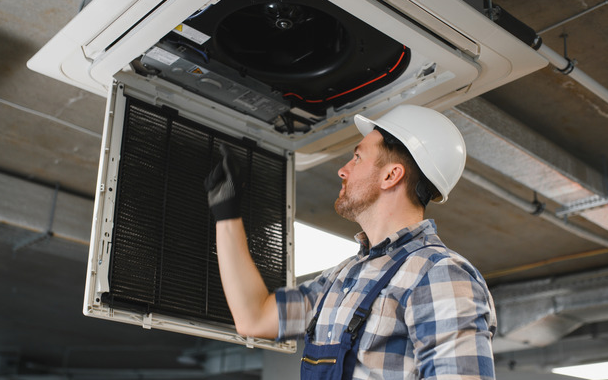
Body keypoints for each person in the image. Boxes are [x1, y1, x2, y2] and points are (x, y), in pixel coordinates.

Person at [205, 105, 497, 379]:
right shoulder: (342, 278)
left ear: (391, 175)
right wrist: (226, 213)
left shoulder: (439, 274)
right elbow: (255, 318)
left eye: (357, 157)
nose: (343, 170)